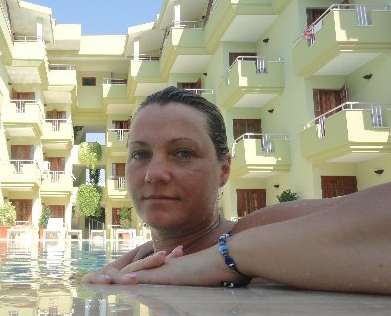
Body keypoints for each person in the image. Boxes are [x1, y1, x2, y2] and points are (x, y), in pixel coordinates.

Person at [83, 86, 391, 295]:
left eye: (183, 153)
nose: (154, 173)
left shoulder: (257, 231)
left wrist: (225, 260)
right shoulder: (143, 258)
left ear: (224, 169)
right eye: (140, 154)